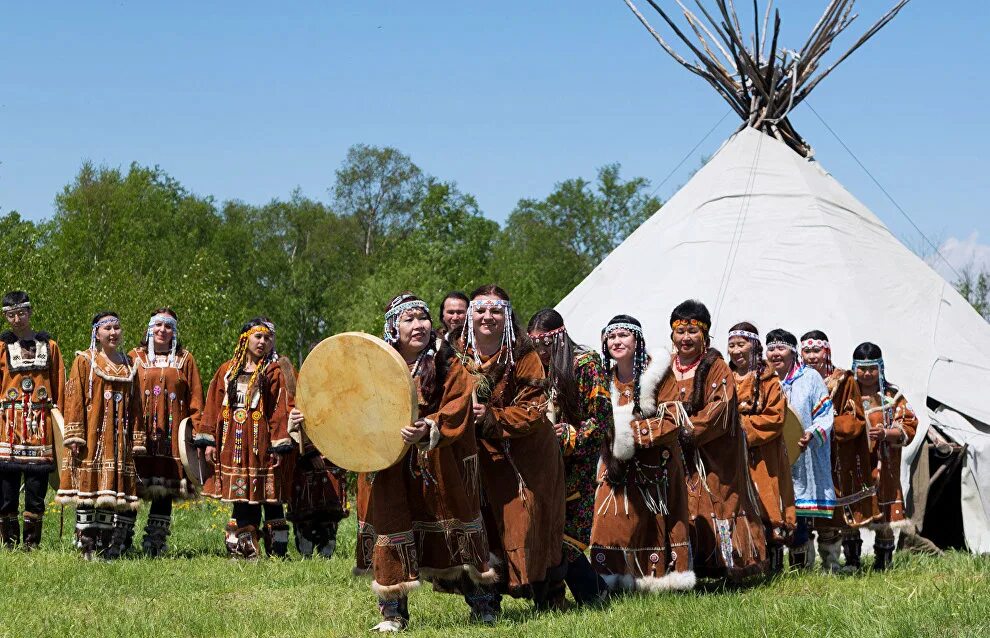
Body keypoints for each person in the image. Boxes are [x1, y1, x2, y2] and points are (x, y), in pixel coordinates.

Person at [293, 293, 493, 632]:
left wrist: (429, 426)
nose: (418, 326)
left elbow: (459, 405)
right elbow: (343, 405)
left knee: (454, 529)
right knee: (391, 529)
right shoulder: (371, 364)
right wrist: (306, 420)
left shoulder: (448, 363)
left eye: (423, 318)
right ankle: (393, 614)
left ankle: (483, 606)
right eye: (409, 319)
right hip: (385, 466)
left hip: (437, 466)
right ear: (392, 327)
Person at [463, 285, 565, 614]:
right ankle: (485, 603)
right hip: (475, 454)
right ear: (470, 314)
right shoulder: (456, 353)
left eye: (495, 310)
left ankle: (547, 597)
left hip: (527, 454)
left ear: (506, 314)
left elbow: (535, 409)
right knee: (480, 523)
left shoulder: (523, 354)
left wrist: (491, 417)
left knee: (528, 521)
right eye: (480, 310)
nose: (487, 316)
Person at [589, 315, 695, 593]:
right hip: (614, 465)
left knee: (653, 523)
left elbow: (672, 421)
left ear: (637, 340)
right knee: (608, 521)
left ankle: (657, 580)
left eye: (623, 335)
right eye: (611, 337)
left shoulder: (659, 374)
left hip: (654, 465)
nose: (616, 341)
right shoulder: (604, 379)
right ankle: (608, 580)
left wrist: (630, 431)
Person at [663, 302, 766, 579]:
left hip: (713, 453)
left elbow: (720, 408)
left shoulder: (717, 367)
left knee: (718, 501)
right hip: (675, 451)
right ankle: (682, 565)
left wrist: (687, 431)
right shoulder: (662, 367)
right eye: (680, 331)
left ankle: (727, 565)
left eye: (692, 331)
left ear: (705, 335)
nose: (686, 338)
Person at [527, 308, 610, 607]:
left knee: (568, 535)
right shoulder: (536, 368)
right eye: (535, 346)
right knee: (547, 530)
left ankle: (594, 594)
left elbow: (600, 420)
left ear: (559, 338)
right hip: (544, 462)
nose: (540, 352)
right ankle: (555, 599)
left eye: (545, 346)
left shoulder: (586, 364)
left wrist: (567, 435)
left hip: (577, 461)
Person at [195, 317, 294, 559]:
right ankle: (244, 549)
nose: (263, 342)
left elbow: (280, 410)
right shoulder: (227, 370)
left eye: (268, 338)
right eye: (258, 336)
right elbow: (213, 406)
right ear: (245, 338)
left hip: (263, 446)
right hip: (234, 446)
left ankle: (276, 552)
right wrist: (208, 441)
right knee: (241, 497)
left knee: (270, 497)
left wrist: (279, 445)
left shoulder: (276, 371)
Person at [56, 312, 143, 559]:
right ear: (97, 333)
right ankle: (86, 545)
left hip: (118, 440)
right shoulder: (85, 360)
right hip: (91, 438)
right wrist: (74, 435)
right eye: (108, 328)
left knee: (109, 493)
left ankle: (104, 546)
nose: (114, 333)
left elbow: (136, 405)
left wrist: (136, 440)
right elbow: (73, 397)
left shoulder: (128, 363)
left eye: (117, 327)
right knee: (88, 489)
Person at [128, 308, 205, 556]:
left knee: (165, 489)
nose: (163, 330)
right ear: (150, 328)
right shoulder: (134, 357)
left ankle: (155, 544)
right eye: (158, 325)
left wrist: (197, 432)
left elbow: (196, 399)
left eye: (168, 326)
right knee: (132, 485)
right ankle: (121, 540)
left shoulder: (185, 359)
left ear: (175, 331)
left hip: (172, 436)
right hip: (140, 434)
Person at [801, 331, 877, 572]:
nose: (812, 356)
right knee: (803, 508)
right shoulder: (797, 379)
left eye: (817, 350)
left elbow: (856, 417)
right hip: (803, 452)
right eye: (807, 351)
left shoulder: (843, 380)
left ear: (827, 351)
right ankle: (804, 565)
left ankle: (831, 563)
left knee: (829, 511)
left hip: (832, 454)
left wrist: (828, 424)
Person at [727, 322, 795, 575]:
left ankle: (773, 567)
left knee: (767, 500)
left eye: (741, 344)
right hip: (732, 455)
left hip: (763, 454)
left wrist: (742, 427)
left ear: (754, 346)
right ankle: (743, 562)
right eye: (731, 345)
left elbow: (776, 417)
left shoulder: (769, 380)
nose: (736, 350)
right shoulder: (724, 377)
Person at [765, 329, 835, 569]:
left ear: (793, 352)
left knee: (799, 516)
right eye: (771, 349)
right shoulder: (763, 379)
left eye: (781, 348)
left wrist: (811, 433)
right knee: (772, 511)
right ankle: (772, 568)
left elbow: (825, 414)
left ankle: (800, 568)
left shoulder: (811, 378)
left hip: (802, 455)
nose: (775, 354)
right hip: (770, 456)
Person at [0, 291, 65, 549]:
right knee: (6, 492)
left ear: (30, 312)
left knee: (37, 491)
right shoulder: (2, 347)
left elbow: (59, 386)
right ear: (6, 317)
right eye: (11, 314)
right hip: (8, 427)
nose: (17, 319)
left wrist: (63, 423)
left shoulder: (49, 347)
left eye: (21, 312)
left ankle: (31, 544)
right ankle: (9, 543)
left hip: (40, 427)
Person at [852, 342, 917, 571]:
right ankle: (852, 561)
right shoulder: (848, 393)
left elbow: (909, 423)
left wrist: (886, 433)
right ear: (854, 367)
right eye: (862, 368)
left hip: (885, 463)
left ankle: (884, 563)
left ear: (880, 368)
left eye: (872, 368)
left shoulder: (892, 395)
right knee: (852, 508)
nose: (867, 374)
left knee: (886, 514)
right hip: (855, 464)